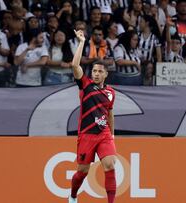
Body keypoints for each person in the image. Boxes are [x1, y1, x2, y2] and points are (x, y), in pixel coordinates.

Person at [68, 29, 116, 203]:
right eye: (94, 71)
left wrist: (112, 135)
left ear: (105, 74)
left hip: (103, 134)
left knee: (110, 165)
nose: (96, 74)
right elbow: (74, 66)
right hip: (86, 134)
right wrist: (81, 42)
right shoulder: (85, 85)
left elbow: (110, 113)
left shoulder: (111, 92)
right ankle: (73, 196)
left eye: (99, 71)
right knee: (82, 171)